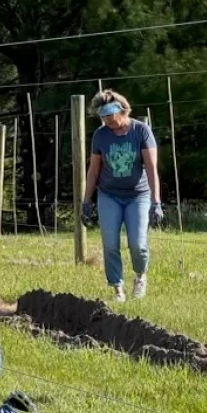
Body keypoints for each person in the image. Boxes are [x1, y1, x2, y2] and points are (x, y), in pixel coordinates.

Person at [81, 90, 163, 302]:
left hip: (138, 195)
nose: (107, 120)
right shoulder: (101, 135)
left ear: (122, 110)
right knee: (110, 243)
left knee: (138, 244)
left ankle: (140, 276)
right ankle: (118, 288)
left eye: (109, 115)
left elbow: (152, 168)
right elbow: (94, 170)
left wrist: (156, 202)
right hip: (109, 195)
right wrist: (86, 200)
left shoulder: (141, 131)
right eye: (103, 116)